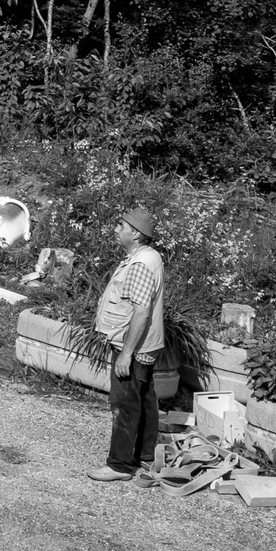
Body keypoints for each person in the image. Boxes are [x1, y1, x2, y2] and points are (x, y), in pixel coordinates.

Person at [86, 206, 165, 482]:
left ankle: (119, 465)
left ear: (136, 233)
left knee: (124, 404)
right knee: (144, 399)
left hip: (131, 345)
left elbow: (141, 313)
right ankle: (145, 456)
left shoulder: (141, 264)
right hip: (142, 344)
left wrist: (126, 354)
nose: (116, 229)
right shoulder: (148, 257)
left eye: (121, 225)